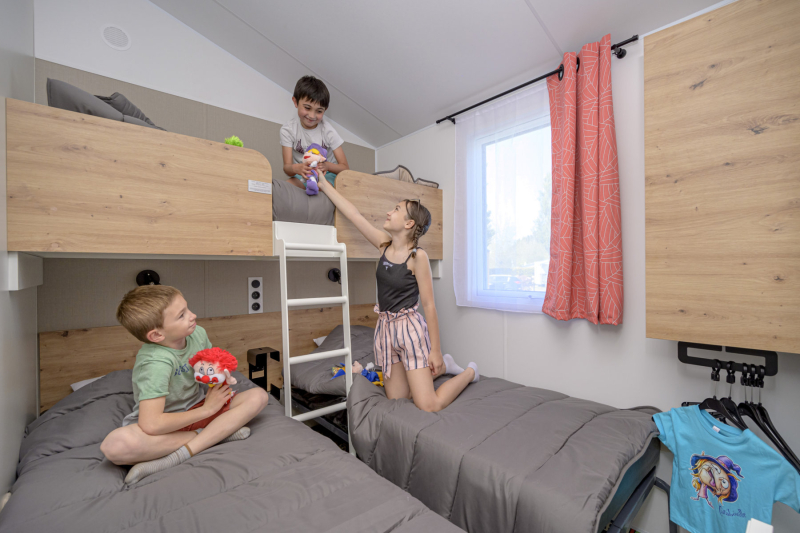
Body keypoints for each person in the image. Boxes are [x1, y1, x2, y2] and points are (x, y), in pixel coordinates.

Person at [318, 178, 478, 412]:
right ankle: (439, 370)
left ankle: (469, 372)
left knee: (428, 405)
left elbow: (429, 306)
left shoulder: (417, 257)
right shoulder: (384, 246)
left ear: (408, 223)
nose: (388, 212)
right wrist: (323, 184)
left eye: (395, 209)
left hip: (409, 330)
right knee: (398, 399)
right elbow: (354, 215)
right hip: (385, 330)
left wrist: (435, 351)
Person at [100, 285, 268, 484]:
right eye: (181, 315)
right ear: (156, 335)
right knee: (115, 446)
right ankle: (216, 435)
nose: (193, 315)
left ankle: (188, 448)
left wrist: (219, 382)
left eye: (187, 308)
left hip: (198, 407)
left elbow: (211, 367)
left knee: (259, 396)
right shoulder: (155, 363)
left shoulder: (197, 334)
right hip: (167, 426)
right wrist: (207, 410)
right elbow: (151, 424)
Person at [280, 75, 349, 191]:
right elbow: (287, 168)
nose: (312, 116)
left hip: (327, 174)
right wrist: (297, 168)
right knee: (285, 188)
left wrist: (327, 166)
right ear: (295, 102)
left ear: (325, 110)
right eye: (307, 108)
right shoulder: (288, 130)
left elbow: (345, 168)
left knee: (322, 188)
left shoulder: (328, 131)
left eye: (319, 111)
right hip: (303, 174)